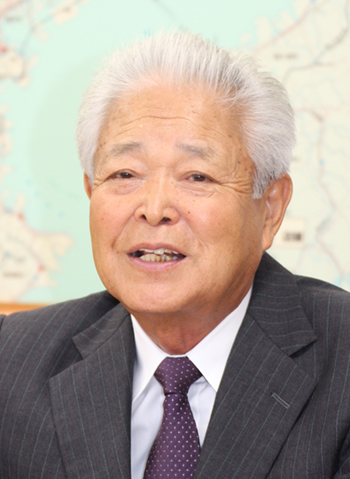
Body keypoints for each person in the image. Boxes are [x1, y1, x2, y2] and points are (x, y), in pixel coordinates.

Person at [1, 31, 350, 479]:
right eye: (125, 173)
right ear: (91, 190)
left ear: (270, 208)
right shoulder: (12, 359)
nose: (153, 209)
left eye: (197, 176)